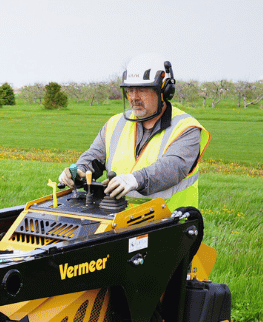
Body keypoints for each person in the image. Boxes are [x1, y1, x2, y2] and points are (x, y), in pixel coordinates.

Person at [59, 53, 210, 208]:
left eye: (142, 90)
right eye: (130, 90)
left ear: (164, 91)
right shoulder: (115, 124)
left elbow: (173, 167)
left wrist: (135, 179)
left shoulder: (186, 128)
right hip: (120, 221)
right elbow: (94, 156)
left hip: (169, 222)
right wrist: (79, 171)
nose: (134, 97)